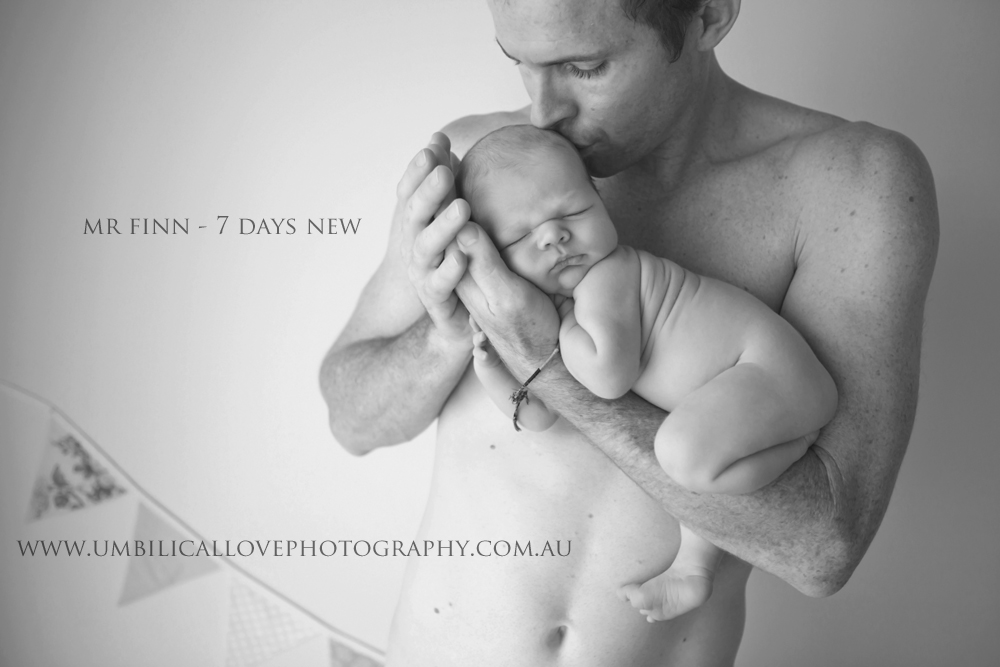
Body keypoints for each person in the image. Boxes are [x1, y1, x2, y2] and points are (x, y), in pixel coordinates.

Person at [319, 0, 938, 664]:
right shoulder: (477, 167)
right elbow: (351, 422)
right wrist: (450, 330)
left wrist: (545, 364)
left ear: (710, 14)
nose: (543, 112)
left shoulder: (851, 184)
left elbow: (823, 551)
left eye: (584, 67)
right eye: (519, 62)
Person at [460, 124, 838, 622]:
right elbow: (540, 416)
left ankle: (796, 445)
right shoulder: (567, 310)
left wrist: (550, 331)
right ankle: (693, 570)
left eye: (572, 211)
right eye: (520, 235)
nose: (553, 235)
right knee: (691, 470)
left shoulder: (607, 277)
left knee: (680, 454)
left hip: (766, 369)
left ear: (601, 201)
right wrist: (492, 366)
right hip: (744, 390)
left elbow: (607, 379)